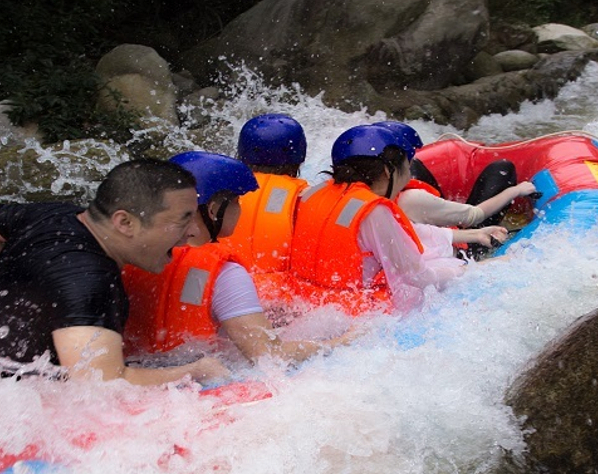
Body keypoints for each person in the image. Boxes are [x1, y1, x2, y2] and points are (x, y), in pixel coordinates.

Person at [0, 159, 228, 385]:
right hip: (5, 400)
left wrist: (2, 283)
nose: (193, 231)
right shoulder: (89, 280)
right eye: (182, 220)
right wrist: (195, 371)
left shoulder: (55, 215)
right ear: (125, 222)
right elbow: (101, 386)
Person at [121, 151, 351, 363]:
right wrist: (340, 343)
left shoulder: (131, 253)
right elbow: (268, 355)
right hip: (203, 383)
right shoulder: (225, 274)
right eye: (237, 202)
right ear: (213, 210)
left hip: (140, 373)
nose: (240, 209)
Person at [288, 125, 465, 314]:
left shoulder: (311, 194)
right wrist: (462, 271)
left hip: (302, 303)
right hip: (356, 317)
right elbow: (416, 277)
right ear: (388, 172)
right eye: (407, 165)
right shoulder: (374, 211)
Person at [373, 121, 538, 231]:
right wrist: (515, 191)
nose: (410, 169)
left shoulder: (357, 196)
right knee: (504, 168)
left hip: (431, 238)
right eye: (407, 164)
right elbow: (474, 216)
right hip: (455, 253)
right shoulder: (412, 199)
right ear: (390, 171)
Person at [219, 114, 310, 303]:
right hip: (280, 301)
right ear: (299, 157)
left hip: (224, 292)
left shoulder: (222, 192)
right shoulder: (305, 197)